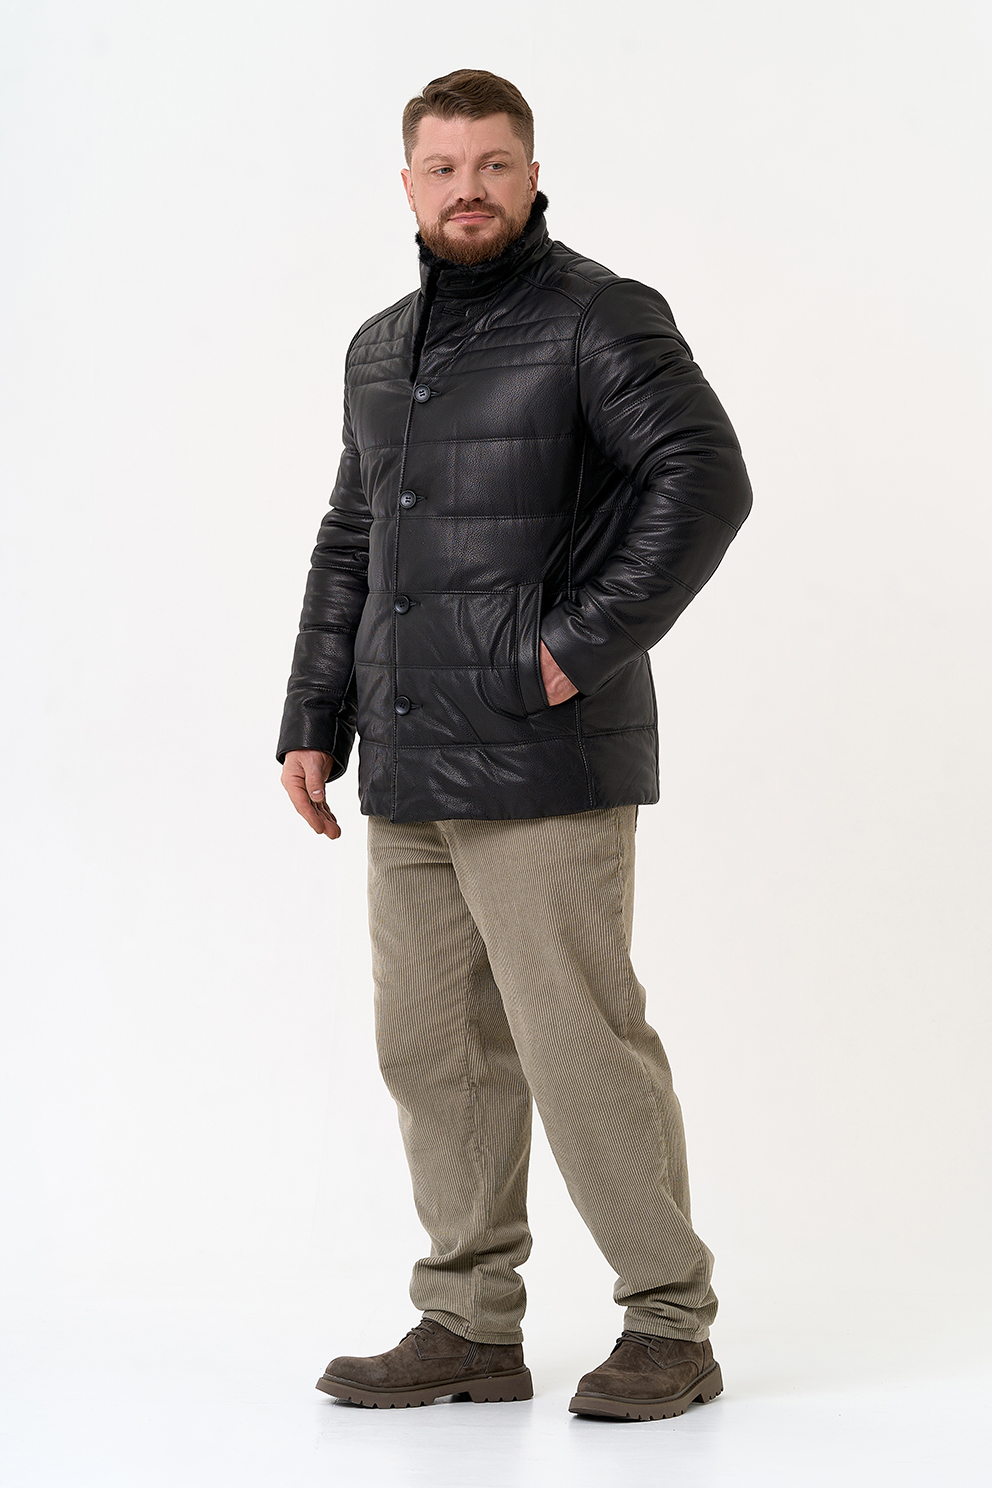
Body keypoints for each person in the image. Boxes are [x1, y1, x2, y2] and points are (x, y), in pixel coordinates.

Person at [277, 68, 752, 1422]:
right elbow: (354, 536)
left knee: (576, 1043)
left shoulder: (599, 314)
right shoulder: (379, 347)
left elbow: (705, 477)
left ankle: (669, 1321)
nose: (468, 188)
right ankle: (469, 1325)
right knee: (431, 1049)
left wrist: (569, 649)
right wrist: (313, 715)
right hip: (408, 756)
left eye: (493, 164)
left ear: (532, 176)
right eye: (443, 167)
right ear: (409, 185)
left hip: (545, 757)